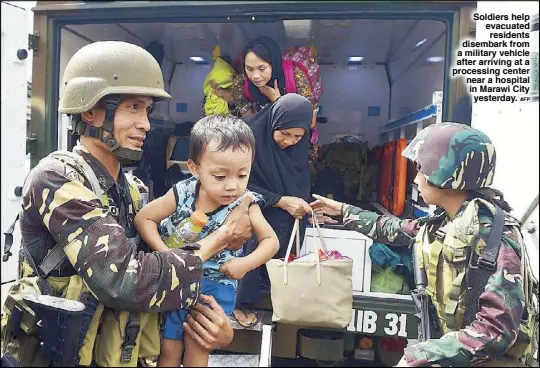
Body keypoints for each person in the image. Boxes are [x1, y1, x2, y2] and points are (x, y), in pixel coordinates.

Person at [1, 41, 253, 367]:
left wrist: (215, 328)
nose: (146, 124)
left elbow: (162, 271)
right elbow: (121, 280)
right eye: (133, 107)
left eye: (147, 110)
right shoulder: (57, 179)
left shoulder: (133, 191)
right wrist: (218, 240)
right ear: (90, 111)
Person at [310, 122, 537, 367]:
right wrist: (344, 212)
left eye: (421, 169)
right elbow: (396, 230)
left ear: (446, 174)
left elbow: (496, 332)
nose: (416, 178)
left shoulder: (494, 237)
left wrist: (421, 355)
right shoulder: (447, 222)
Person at [134, 115, 279, 367]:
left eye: (242, 175)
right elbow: (144, 219)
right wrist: (167, 256)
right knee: (168, 349)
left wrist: (244, 264)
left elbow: (270, 241)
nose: (233, 186)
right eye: (220, 177)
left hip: (216, 286)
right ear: (194, 167)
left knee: (198, 347)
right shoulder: (183, 192)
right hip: (177, 283)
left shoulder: (246, 203)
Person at [233, 93, 313, 327]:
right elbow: (238, 183)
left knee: (285, 251)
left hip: (288, 212)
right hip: (254, 205)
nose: (289, 141)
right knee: (255, 246)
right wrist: (279, 200)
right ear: (273, 123)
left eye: (298, 135)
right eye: (284, 133)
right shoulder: (249, 137)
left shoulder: (299, 146)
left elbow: (298, 179)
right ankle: (242, 303)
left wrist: (300, 203)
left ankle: (274, 300)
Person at [213, 36, 321, 169]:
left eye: (262, 68)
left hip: (295, 146)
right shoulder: (242, 83)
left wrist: (278, 101)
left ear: (273, 64)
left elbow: (310, 121)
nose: (255, 76)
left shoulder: (296, 77)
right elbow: (251, 123)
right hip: (266, 146)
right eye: (249, 69)